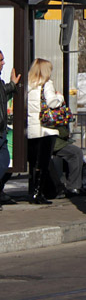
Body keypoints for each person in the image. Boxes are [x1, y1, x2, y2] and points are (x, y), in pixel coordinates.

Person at [26, 58, 62, 205]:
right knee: (44, 163)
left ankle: (33, 191)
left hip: (32, 128)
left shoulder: (28, 85)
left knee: (34, 162)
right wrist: (59, 96)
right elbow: (52, 102)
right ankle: (38, 193)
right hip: (46, 129)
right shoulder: (46, 84)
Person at [0, 51, 21, 209]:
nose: (3, 63)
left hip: (1, 132)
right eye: (1, 60)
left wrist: (12, 85)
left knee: (5, 160)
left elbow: (3, 93)